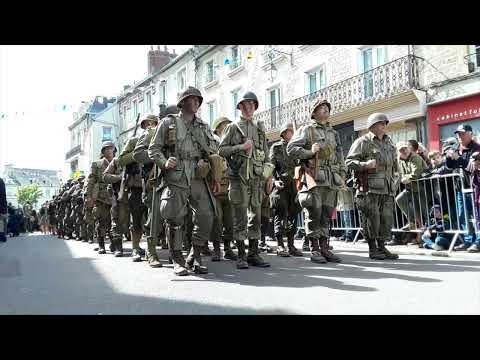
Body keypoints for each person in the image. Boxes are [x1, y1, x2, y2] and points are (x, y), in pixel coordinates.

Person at [149, 86, 216, 276]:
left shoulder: (202, 126)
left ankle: (195, 254)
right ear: (182, 102)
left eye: (198, 100)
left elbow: (212, 150)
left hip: (197, 174)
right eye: (192, 99)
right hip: (176, 174)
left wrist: (207, 162)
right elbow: (154, 149)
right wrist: (164, 162)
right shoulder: (168, 123)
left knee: (207, 214)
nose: (196, 103)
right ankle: (177, 258)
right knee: (174, 217)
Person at [219, 91, 274, 269]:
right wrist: (241, 147)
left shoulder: (259, 128)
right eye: (246, 104)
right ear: (240, 107)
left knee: (256, 217)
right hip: (239, 177)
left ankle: (254, 253)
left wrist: (269, 176)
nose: (249, 107)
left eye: (252, 104)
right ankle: (241, 255)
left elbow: (266, 154)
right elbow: (222, 150)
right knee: (241, 216)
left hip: (257, 178)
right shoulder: (233, 127)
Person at [286, 99, 345, 263]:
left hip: (331, 178)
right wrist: (309, 152)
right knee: (314, 212)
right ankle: (314, 249)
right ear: (313, 113)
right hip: (314, 176)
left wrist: (342, 172)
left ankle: (325, 247)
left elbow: (340, 154)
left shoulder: (334, 133)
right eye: (321, 107)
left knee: (326, 214)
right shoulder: (307, 129)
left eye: (327, 107)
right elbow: (291, 149)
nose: (326, 109)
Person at [345, 113, 400, 260]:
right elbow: (349, 162)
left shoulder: (390, 143)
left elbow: (395, 165)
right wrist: (364, 165)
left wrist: (396, 179)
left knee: (386, 218)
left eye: (385, 123)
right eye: (380, 123)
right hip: (369, 187)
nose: (384, 126)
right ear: (372, 126)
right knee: (372, 219)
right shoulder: (362, 142)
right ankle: (372, 248)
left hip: (387, 187)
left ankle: (382, 246)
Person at [134, 107, 178, 267]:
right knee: (155, 219)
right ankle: (151, 252)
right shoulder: (151, 133)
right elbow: (137, 154)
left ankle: (175, 252)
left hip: (175, 179)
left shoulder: (182, 131)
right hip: (154, 181)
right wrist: (158, 156)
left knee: (174, 216)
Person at [269, 123, 303, 257]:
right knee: (280, 214)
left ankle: (291, 244)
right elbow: (270, 166)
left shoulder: (296, 148)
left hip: (294, 185)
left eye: (291, 131)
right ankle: (280, 245)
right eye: (289, 131)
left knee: (294, 215)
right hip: (281, 185)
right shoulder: (276, 147)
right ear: (283, 133)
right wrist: (274, 180)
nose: (291, 133)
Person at [445, 124, 480, 251]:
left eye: (463, 133)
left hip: (475, 187)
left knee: (477, 216)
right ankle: (467, 241)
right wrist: (449, 158)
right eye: (458, 134)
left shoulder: (477, 148)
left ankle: (478, 241)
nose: (460, 136)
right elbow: (449, 167)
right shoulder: (455, 147)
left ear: (471, 134)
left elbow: (472, 168)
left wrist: (458, 158)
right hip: (460, 187)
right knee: (462, 216)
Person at [209, 116, 238, 261]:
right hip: (216, 185)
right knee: (217, 219)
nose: (227, 127)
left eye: (228, 125)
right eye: (224, 125)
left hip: (231, 185)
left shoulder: (233, 143)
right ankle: (216, 249)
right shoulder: (211, 142)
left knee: (230, 220)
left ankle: (227, 248)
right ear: (217, 128)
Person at [86, 141, 116, 254]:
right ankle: (101, 245)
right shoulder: (97, 164)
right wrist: (89, 196)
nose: (109, 151)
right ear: (103, 152)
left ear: (114, 150)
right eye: (106, 149)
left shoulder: (118, 162)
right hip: (101, 197)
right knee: (101, 221)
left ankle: (114, 243)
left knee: (115, 221)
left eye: (111, 148)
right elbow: (91, 180)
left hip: (115, 195)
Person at [395, 141, 429, 239]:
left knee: (425, 211)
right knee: (400, 199)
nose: (404, 151)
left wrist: (408, 178)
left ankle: (429, 234)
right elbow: (399, 174)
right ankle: (411, 221)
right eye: (401, 150)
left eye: (405, 148)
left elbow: (417, 172)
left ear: (409, 148)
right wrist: (402, 178)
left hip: (423, 188)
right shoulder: (400, 160)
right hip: (411, 189)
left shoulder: (415, 157)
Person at [0, 177, 7, 242]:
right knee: (1, 222)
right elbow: (3, 196)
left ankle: (2, 235)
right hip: (1, 207)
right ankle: (2, 236)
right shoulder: (1, 181)